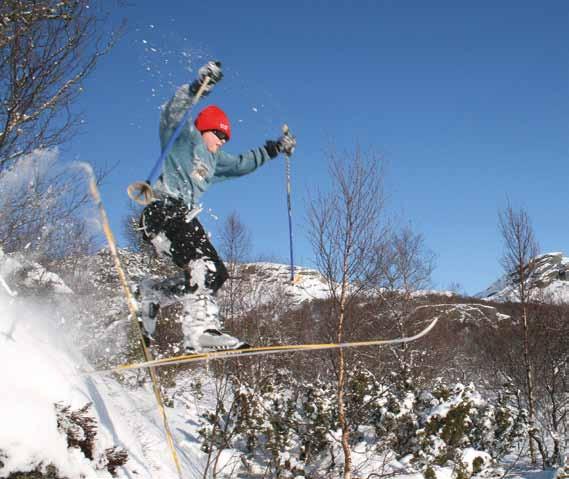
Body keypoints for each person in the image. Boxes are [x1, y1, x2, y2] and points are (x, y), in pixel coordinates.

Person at [136, 61, 296, 352]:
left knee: (216, 273)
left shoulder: (215, 160)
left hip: (183, 216)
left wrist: (275, 148)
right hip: (162, 210)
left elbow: (242, 164)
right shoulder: (185, 139)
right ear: (204, 128)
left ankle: (153, 293)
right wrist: (198, 87)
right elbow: (172, 113)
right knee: (201, 264)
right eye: (218, 135)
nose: (221, 142)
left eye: (225, 138)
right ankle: (199, 331)